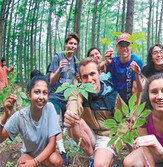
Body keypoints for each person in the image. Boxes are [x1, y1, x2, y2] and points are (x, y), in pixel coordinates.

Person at [64, 57, 125, 166]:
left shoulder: (112, 95)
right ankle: (92, 155)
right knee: (73, 121)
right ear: (80, 79)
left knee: (99, 165)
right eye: (85, 76)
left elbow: (127, 118)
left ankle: (105, 158)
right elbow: (73, 104)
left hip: (107, 136)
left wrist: (120, 135)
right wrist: (70, 115)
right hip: (89, 134)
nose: (89, 79)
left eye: (92, 74)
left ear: (99, 74)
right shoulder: (79, 92)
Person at [0, 75, 63, 167]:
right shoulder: (21, 116)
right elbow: (1, 138)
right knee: (22, 164)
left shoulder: (49, 108)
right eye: (37, 92)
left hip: (47, 156)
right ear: (29, 95)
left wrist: (34, 162)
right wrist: (5, 116)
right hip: (29, 155)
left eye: (44, 93)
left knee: (56, 160)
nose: (41, 97)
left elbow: (52, 144)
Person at [48, 32, 80, 165]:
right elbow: (51, 80)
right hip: (55, 95)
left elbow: (75, 79)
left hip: (67, 97)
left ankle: (74, 148)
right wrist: (60, 69)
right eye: (70, 43)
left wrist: (75, 91)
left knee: (70, 121)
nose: (72, 46)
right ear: (66, 44)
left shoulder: (76, 61)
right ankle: (62, 151)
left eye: (75, 44)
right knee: (57, 122)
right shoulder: (57, 57)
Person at [107, 32, 143, 103]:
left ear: (131, 46)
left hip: (130, 101)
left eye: (127, 45)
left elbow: (136, 90)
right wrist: (105, 61)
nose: (124, 48)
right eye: (121, 45)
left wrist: (134, 110)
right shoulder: (113, 61)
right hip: (115, 101)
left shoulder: (136, 61)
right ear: (117, 47)